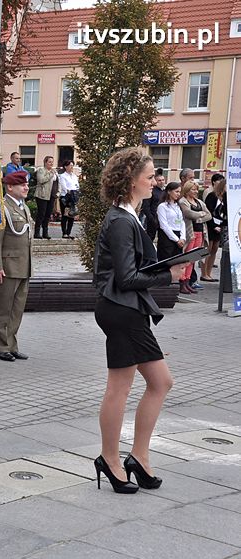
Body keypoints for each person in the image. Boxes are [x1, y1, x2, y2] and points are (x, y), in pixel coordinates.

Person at [92, 148, 184, 494]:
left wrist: (165, 268)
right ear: (131, 181)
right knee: (122, 387)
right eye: (149, 176)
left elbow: (131, 272)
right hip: (121, 309)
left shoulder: (127, 216)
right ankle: (111, 459)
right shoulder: (119, 220)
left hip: (127, 309)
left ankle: (138, 457)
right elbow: (127, 276)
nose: (155, 181)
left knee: (159, 383)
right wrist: (167, 276)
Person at [0, 171, 33, 362]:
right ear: (9, 187)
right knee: (3, 308)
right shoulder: (2, 208)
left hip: (23, 266)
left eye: (27, 184)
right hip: (7, 266)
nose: (26, 187)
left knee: (17, 309)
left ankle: (11, 344)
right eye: (21, 184)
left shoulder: (23, 208)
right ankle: (0, 347)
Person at [177, 180, 211, 295]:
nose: (196, 191)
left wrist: (199, 217)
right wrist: (201, 214)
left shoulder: (199, 202)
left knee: (193, 260)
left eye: (197, 189)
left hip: (200, 232)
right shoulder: (183, 201)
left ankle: (187, 282)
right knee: (186, 259)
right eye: (193, 189)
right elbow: (188, 214)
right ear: (187, 190)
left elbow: (209, 215)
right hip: (190, 233)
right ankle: (182, 282)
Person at [203, 176, 226, 281]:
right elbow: (208, 212)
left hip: (220, 224)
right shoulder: (212, 196)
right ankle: (204, 274)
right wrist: (213, 226)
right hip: (211, 225)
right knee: (208, 248)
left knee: (215, 249)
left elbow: (225, 211)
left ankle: (209, 272)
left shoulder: (224, 197)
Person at [156, 181, 185, 262]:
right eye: (176, 191)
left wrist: (182, 237)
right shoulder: (162, 206)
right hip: (167, 237)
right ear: (169, 191)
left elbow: (182, 222)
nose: (178, 194)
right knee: (166, 262)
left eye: (179, 192)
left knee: (177, 262)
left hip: (178, 235)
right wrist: (176, 239)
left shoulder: (178, 206)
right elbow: (164, 225)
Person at [34, 156, 56, 239]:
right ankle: (37, 232)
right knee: (41, 214)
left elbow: (57, 182)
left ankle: (45, 232)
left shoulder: (54, 172)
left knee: (48, 214)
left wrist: (58, 192)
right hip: (42, 195)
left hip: (51, 195)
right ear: (45, 162)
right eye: (49, 162)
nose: (51, 163)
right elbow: (41, 180)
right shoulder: (41, 170)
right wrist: (50, 174)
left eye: (52, 162)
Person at [141, 168, 165, 241]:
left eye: (163, 180)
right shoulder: (151, 191)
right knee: (150, 239)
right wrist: (151, 219)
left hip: (163, 219)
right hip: (152, 219)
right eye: (159, 180)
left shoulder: (165, 192)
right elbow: (146, 207)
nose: (161, 182)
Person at [58, 160, 79, 239]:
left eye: (72, 165)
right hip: (66, 197)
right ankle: (64, 233)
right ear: (65, 167)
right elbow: (64, 187)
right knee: (65, 215)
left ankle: (69, 232)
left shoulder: (74, 176)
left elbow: (77, 185)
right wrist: (70, 191)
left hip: (73, 198)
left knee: (72, 215)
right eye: (70, 165)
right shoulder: (63, 176)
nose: (71, 167)